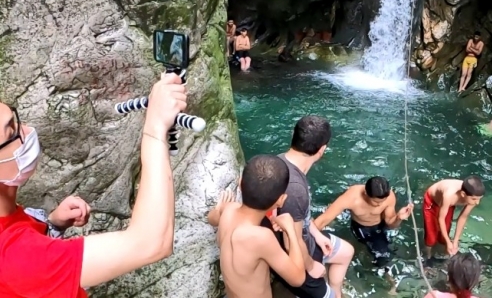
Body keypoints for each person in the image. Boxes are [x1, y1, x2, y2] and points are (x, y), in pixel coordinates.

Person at [0, 73, 186, 297]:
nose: (27, 130)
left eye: (17, 119)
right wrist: (156, 128)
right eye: (12, 131)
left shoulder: (8, 216)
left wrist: (52, 225)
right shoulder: (13, 256)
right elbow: (150, 243)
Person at [274, 116, 354, 298]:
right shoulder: (295, 189)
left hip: (307, 239)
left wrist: (317, 235)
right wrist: (311, 266)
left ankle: (335, 291)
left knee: (346, 251)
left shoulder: (281, 161)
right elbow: (290, 241)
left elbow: (300, 216)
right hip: (297, 259)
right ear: (322, 150)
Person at [206, 155, 306, 298]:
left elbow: (212, 219)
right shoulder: (262, 238)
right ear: (281, 200)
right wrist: (290, 230)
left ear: (240, 184)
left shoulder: (228, 210)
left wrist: (218, 209)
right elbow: (298, 279)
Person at [313, 176, 414, 267]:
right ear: (366, 193)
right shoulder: (351, 197)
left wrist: (399, 218)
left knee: (387, 254)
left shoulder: (389, 196)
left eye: (383, 201)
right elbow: (324, 219)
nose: (380, 205)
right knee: (381, 256)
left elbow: (390, 224)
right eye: (376, 202)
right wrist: (306, 239)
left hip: (380, 224)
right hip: (361, 227)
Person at [423, 176, 485, 259]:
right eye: (474, 199)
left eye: (479, 199)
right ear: (463, 194)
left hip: (448, 205)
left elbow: (463, 218)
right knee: (431, 237)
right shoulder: (449, 195)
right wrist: (449, 242)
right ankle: (427, 257)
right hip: (432, 202)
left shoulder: (473, 197)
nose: (477, 203)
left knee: (444, 237)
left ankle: (446, 255)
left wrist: (455, 241)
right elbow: (441, 219)